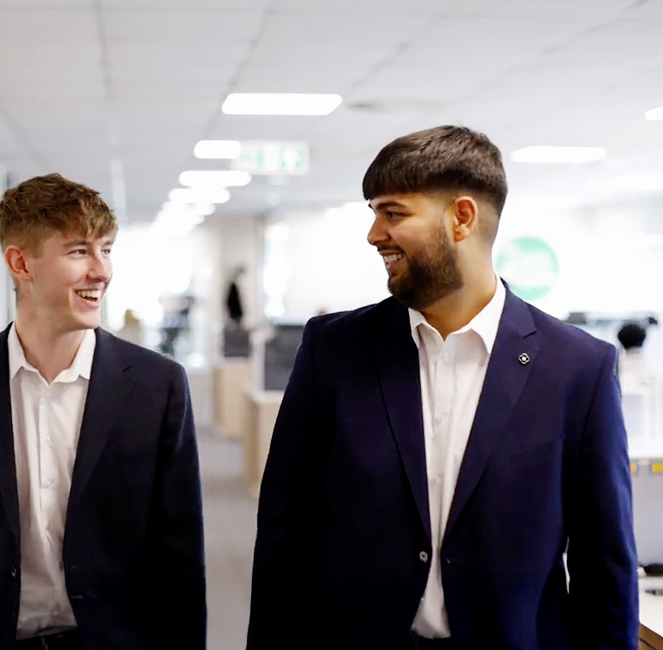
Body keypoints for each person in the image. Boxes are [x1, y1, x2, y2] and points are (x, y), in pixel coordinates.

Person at [247, 126, 637, 650]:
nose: (374, 235)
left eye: (393, 213)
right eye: (374, 214)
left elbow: (604, 563)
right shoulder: (334, 351)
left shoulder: (578, 369)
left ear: (462, 218)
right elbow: (285, 532)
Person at [0, 173, 206, 650]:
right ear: (20, 263)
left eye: (105, 249)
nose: (102, 270)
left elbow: (180, 554)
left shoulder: (158, 386)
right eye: (78, 251)